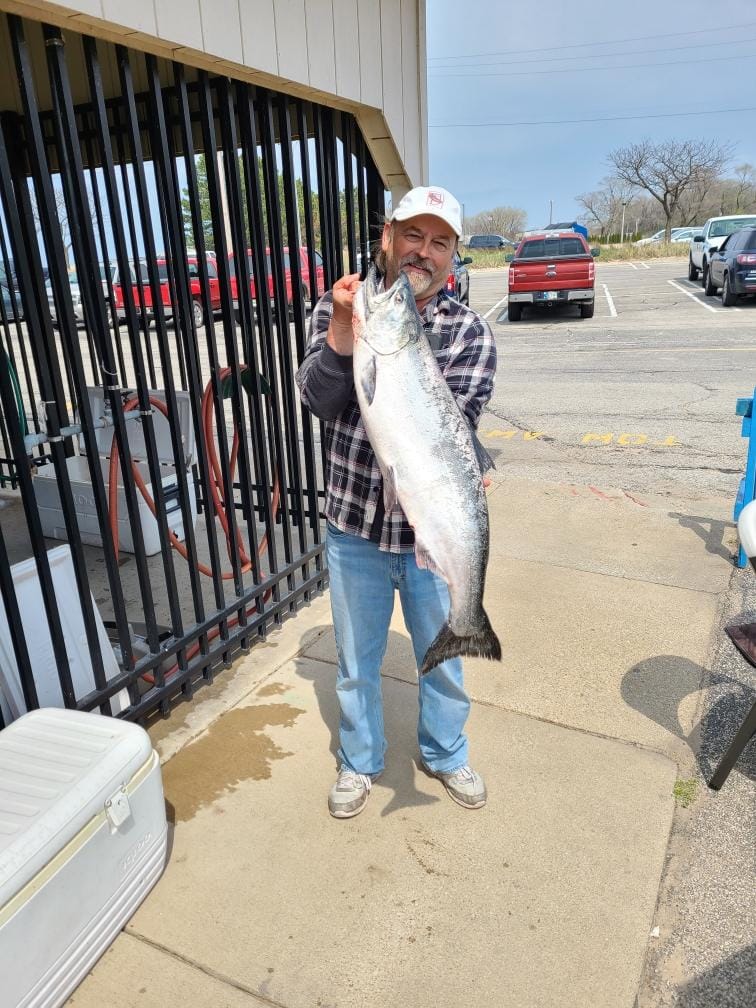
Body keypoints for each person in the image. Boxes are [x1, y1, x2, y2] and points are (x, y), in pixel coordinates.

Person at [296, 185, 497, 818]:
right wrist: (339, 334)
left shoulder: (471, 336)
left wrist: (474, 470)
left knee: (444, 664)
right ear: (388, 237)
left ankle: (446, 753)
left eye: (440, 242)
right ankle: (360, 762)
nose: (424, 252)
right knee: (357, 661)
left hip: (427, 531)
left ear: (455, 256)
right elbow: (317, 401)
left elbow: (452, 430)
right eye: (413, 235)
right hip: (353, 526)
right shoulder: (344, 310)